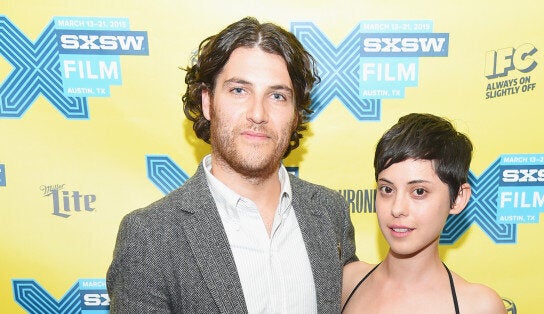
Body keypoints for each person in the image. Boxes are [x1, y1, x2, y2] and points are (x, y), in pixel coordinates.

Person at [106, 17, 357, 313]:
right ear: (208, 102)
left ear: (295, 114)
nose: (258, 113)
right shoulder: (150, 235)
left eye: (277, 96)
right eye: (239, 90)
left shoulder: (330, 212)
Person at [341, 113, 506, 313]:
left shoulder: (477, 306)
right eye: (387, 189)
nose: (397, 209)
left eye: (419, 192)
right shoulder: (348, 282)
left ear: (458, 198)